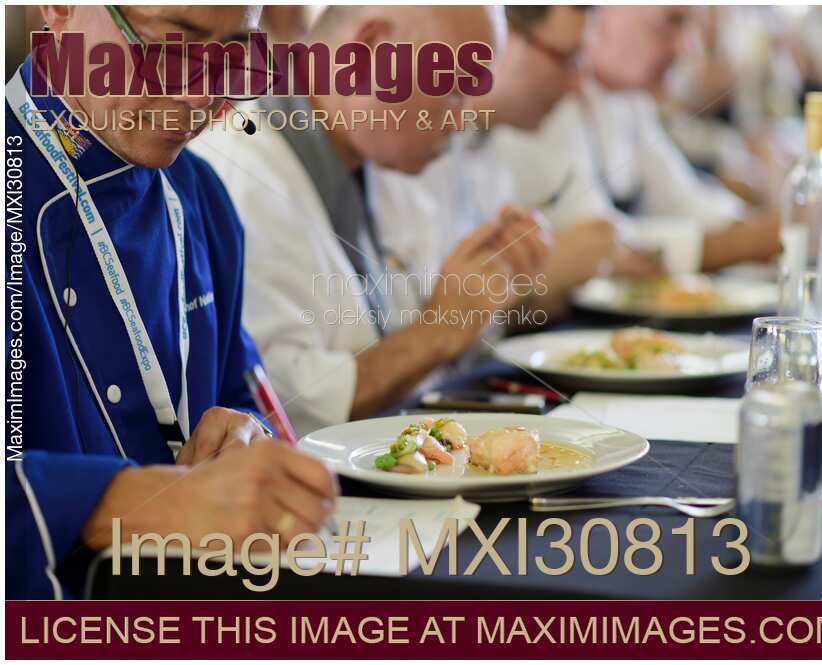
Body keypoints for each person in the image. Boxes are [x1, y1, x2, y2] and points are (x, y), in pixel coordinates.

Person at [7, 5, 337, 600]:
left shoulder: (202, 197)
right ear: (56, 9)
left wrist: (245, 436)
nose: (200, 97)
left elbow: (246, 397)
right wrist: (123, 501)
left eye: (232, 57)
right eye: (171, 46)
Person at [193, 5, 551, 436]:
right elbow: (281, 408)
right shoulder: (238, 175)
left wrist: (487, 283)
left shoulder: (378, 153)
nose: (462, 118)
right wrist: (439, 330)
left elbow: (408, 323)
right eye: (454, 89)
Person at [370, 5, 654, 323]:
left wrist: (531, 288)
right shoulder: (402, 142)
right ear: (501, 36)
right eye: (567, 60)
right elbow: (402, 327)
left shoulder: (494, 142)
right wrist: (525, 281)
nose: (577, 86)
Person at [495, 5, 782, 275]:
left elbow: (683, 200)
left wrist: (760, 227)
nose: (687, 48)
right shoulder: (538, 104)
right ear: (607, 13)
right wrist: (765, 238)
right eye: (671, 23)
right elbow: (602, 245)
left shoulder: (627, 101)